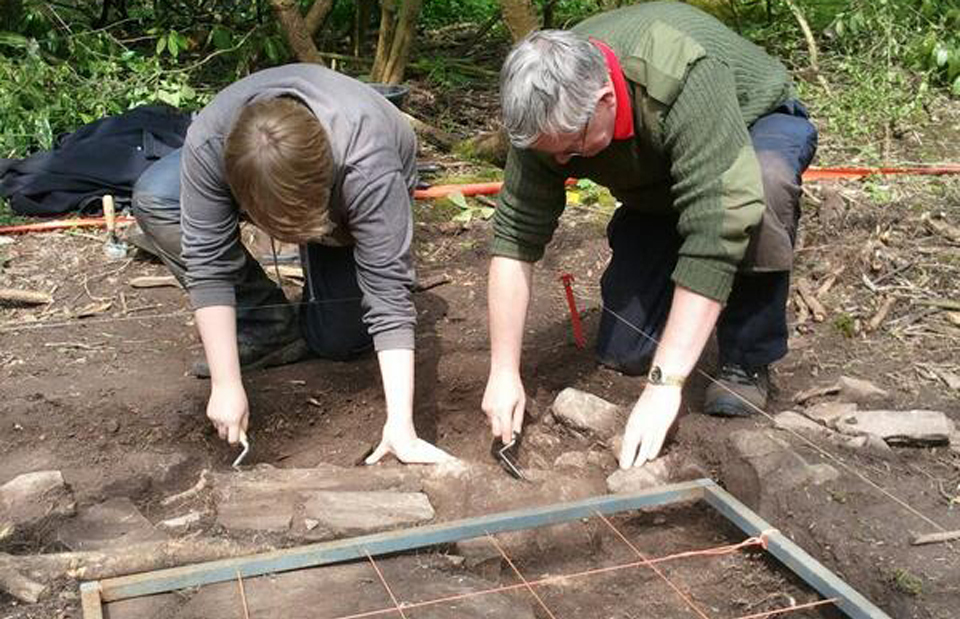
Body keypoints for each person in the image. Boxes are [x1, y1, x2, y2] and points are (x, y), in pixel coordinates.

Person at [482, 2, 818, 469]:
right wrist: (503, 371)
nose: (560, 162)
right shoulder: (548, 116)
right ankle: (671, 274)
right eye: (550, 153)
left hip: (752, 124)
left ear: (605, 100)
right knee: (626, 352)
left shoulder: (682, 73)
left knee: (760, 190)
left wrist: (664, 386)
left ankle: (746, 357)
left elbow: (717, 220)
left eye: (570, 149)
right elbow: (515, 237)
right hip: (660, 174)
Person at [132, 63, 451, 465]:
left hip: (350, 181)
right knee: (157, 196)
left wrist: (401, 427)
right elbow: (207, 263)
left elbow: (388, 291)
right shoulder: (209, 144)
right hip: (259, 163)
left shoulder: (368, 164)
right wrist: (226, 383)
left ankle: (324, 259)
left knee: (338, 342)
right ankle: (266, 323)